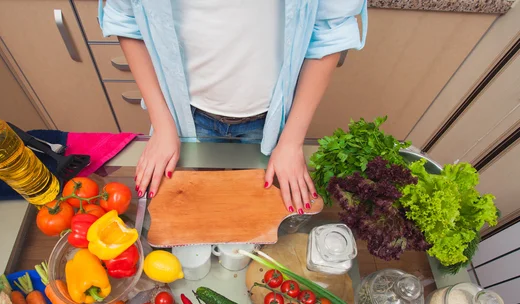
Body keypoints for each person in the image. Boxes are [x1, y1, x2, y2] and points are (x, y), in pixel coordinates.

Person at [99, 1, 367, 212]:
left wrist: (291, 142)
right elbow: (127, 20)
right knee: (191, 210)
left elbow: (329, 30)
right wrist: (162, 124)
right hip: (182, 118)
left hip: (270, 124)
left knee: (255, 214)